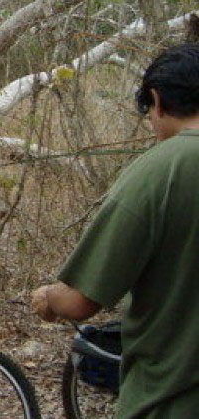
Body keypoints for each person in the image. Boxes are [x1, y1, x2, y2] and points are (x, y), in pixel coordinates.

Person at [31, 43, 199, 418]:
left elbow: (79, 300)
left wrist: (47, 297)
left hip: (171, 400)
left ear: (156, 101)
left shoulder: (159, 172)